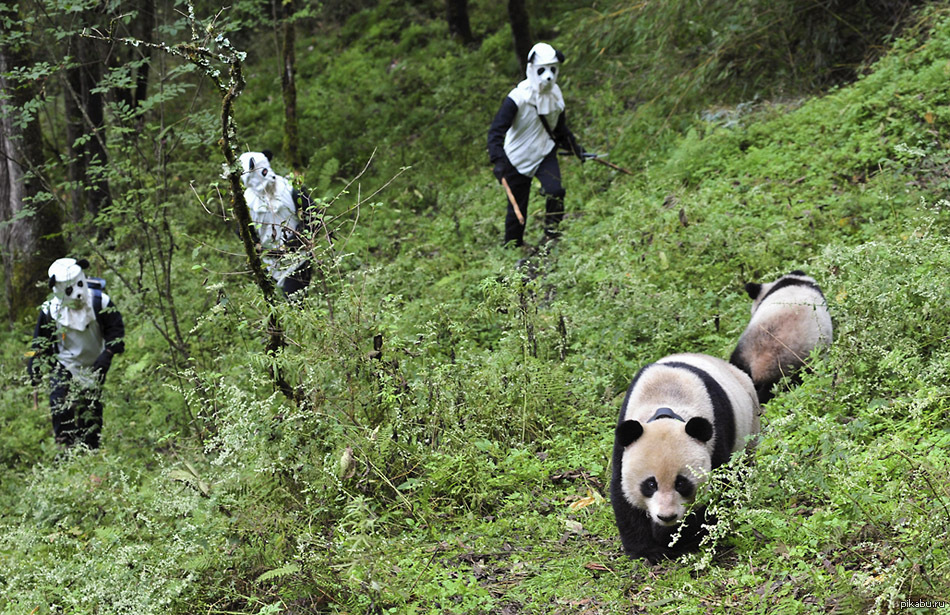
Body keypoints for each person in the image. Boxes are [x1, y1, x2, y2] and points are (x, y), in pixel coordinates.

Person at [487, 42, 586, 248]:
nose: (548, 75)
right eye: (542, 70)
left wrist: (576, 149)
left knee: (555, 190)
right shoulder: (518, 97)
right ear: (532, 68)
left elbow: (559, 129)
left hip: (544, 152)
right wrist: (498, 161)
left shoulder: (556, 96)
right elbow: (496, 131)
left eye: (552, 69)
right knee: (518, 209)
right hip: (517, 157)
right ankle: (513, 247)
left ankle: (552, 234)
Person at [28, 258, 125, 450]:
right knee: (59, 403)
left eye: (80, 285)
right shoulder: (50, 311)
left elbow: (116, 331)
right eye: (71, 289)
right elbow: (39, 341)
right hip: (65, 364)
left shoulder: (100, 301)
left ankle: (90, 449)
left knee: (91, 408)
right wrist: (33, 363)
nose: (78, 294)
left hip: (95, 362)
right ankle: (65, 448)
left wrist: (108, 353)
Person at [239, 150, 314, 296]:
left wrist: (299, 239)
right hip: (268, 262)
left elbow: (313, 214)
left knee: (296, 302)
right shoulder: (246, 202)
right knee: (276, 305)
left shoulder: (289, 188)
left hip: (298, 258)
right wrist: (257, 246)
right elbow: (242, 231)